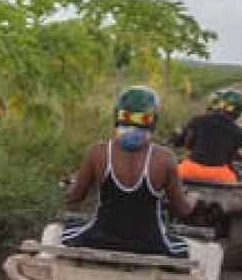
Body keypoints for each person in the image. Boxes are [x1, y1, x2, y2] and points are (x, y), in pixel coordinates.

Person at [63, 85, 193, 256]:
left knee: (63, 230)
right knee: (187, 246)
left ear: (117, 116)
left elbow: (74, 198)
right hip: (151, 245)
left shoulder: (98, 152)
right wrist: (192, 200)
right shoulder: (165, 158)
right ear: (153, 120)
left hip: (99, 240)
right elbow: (182, 210)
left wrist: (69, 186)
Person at [171, 89, 242, 184]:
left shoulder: (198, 120)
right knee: (239, 179)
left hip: (189, 170)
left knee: (174, 170)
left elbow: (178, 143)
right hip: (220, 175)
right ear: (240, 111)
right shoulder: (235, 129)